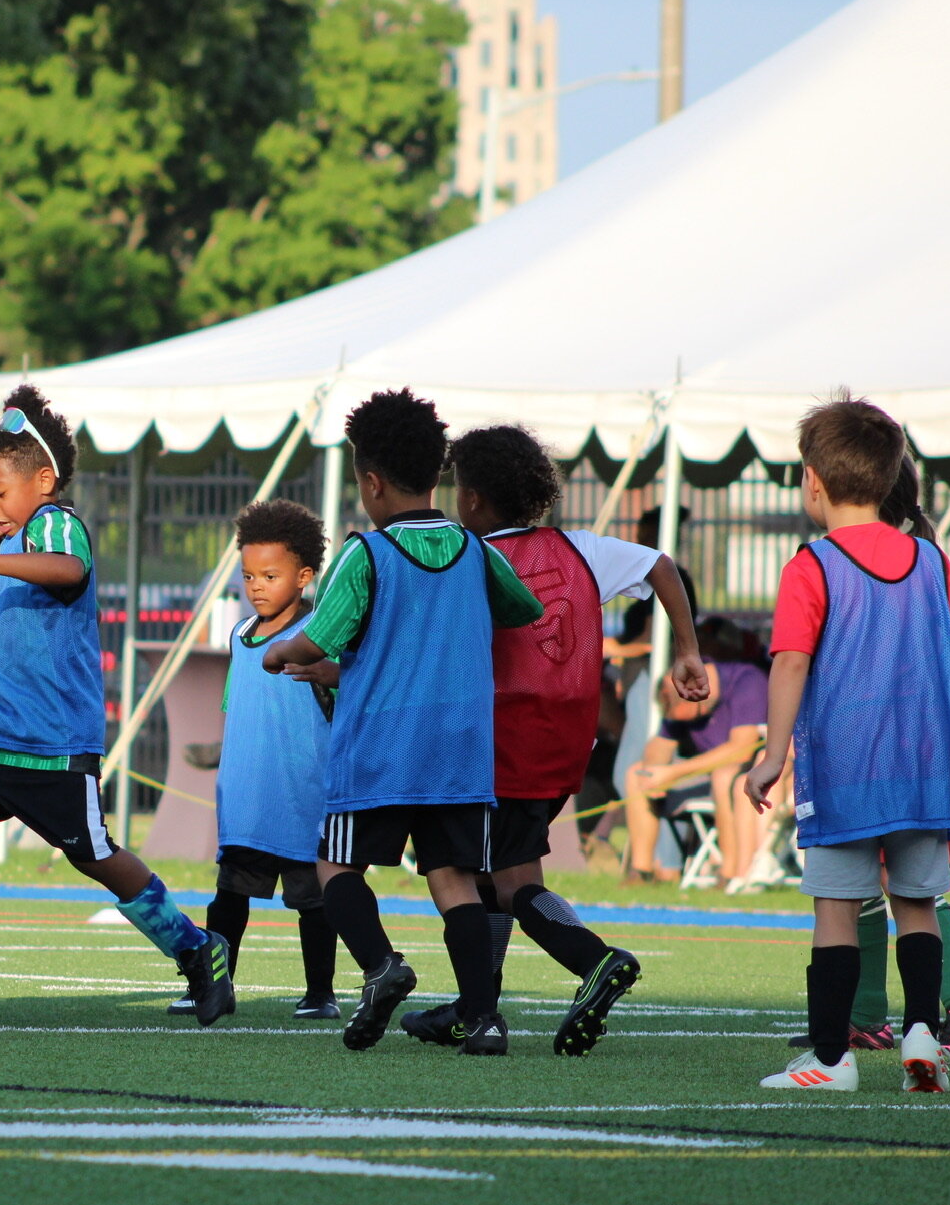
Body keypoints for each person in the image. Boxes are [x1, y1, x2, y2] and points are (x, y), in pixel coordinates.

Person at [0, 385, 236, 1024]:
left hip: (53, 741)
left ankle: (198, 949)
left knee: (93, 854)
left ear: (43, 480)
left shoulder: (56, 524)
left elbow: (68, 569)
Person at [261, 389, 542, 1054]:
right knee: (454, 882)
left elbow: (315, 642)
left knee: (336, 868)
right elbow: (522, 610)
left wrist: (277, 651)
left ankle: (383, 966)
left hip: (380, 748)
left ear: (371, 481)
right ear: (438, 472)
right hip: (460, 752)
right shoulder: (476, 552)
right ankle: (483, 1019)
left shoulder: (369, 554)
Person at [427, 423, 706, 1055]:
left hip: (498, 742)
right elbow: (661, 565)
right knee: (501, 869)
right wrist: (687, 650)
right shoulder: (580, 547)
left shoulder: (470, 558)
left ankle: (590, 963)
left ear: (471, 500)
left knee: (489, 878)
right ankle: (479, 1005)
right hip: (564, 746)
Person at [747, 395, 950, 1093]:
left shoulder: (811, 565)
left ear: (813, 481)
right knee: (917, 901)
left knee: (837, 910)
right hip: (924, 767)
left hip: (847, 765)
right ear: (890, 479)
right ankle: (922, 1035)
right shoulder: (928, 558)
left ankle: (831, 1059)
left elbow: (791, 662)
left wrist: (772, 755)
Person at [164, 499, 341, 1022]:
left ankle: (320, 993)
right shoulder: (239, 637)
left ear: (304, 576)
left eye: (270, 574)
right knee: (228, 900)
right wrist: (220, 755)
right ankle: (214, 986)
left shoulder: (319, 644)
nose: (256, 585)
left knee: (314, 901)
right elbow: (239, 713)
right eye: (248, 575)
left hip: (304, 798)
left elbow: (339, 709)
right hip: (246, 799)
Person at [621, 654, 769, 884]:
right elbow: (659, 747)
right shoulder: (679, 694)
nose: (683, 724)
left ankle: (728, 874)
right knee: (637, 773)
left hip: (745, 778)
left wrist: (673, 773)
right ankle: (641, 871)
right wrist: (654, 774)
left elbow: (742, 749)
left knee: (724, 775)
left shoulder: (747, 682)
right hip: (703, 778)